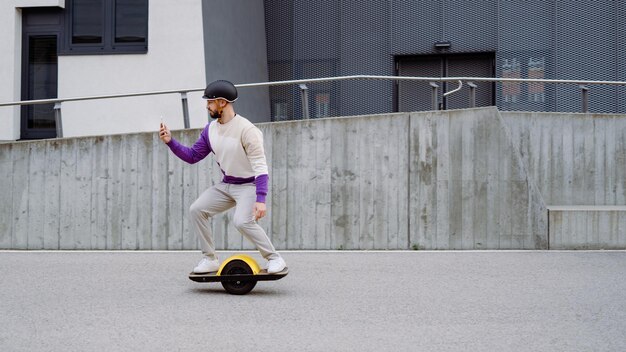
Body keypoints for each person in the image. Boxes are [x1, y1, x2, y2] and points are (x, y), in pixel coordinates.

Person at [158, 80, 287, 274]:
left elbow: (261, 166)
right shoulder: (210, 130)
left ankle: (274, 258)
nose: (207, 106)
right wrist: (170, 142)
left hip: (249, 186)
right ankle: (210, 259)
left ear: (222, 102)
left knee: (242, 221)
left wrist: (261, 199)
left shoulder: (247, 130)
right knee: (197, 210)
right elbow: (193, 156)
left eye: (210, 102)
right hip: (227, 185)